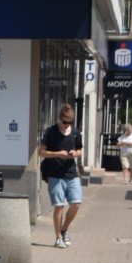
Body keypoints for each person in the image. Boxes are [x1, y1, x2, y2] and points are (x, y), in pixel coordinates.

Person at [40, 104, 83, 249]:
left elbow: (80, 149)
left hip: (71, 173)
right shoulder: (51, 132)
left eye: (69, 123)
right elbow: (41, 152)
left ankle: (64, 229)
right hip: (55, 174)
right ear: (59, 119)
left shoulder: (76, 132)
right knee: (59, 206)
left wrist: (76, 154)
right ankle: (58, 237)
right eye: (64, 122)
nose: (66, 125)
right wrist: (58, 154)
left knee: (76, 203)